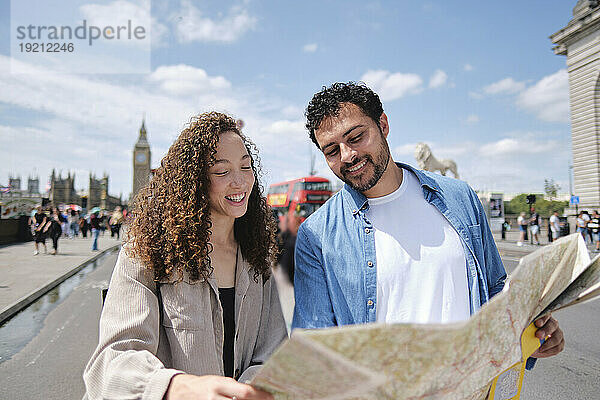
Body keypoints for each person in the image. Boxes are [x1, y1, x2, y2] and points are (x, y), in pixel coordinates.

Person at [292, 82, 564, 363]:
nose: (347, 155)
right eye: (332, 151)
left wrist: (533, 334)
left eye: (356, 137)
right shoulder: (316, 235)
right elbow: (314, 346)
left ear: (383, 125)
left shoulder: (460, 198)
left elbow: (496, 290)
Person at [83, 112, 286, 400]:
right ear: (195, 181)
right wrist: (177, 387)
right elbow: (112, 363)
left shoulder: (258, 259)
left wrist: (249, 388)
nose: (240, 182)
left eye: (246, 167)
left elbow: (274, 352)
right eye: (222, 171)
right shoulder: (147, 253)